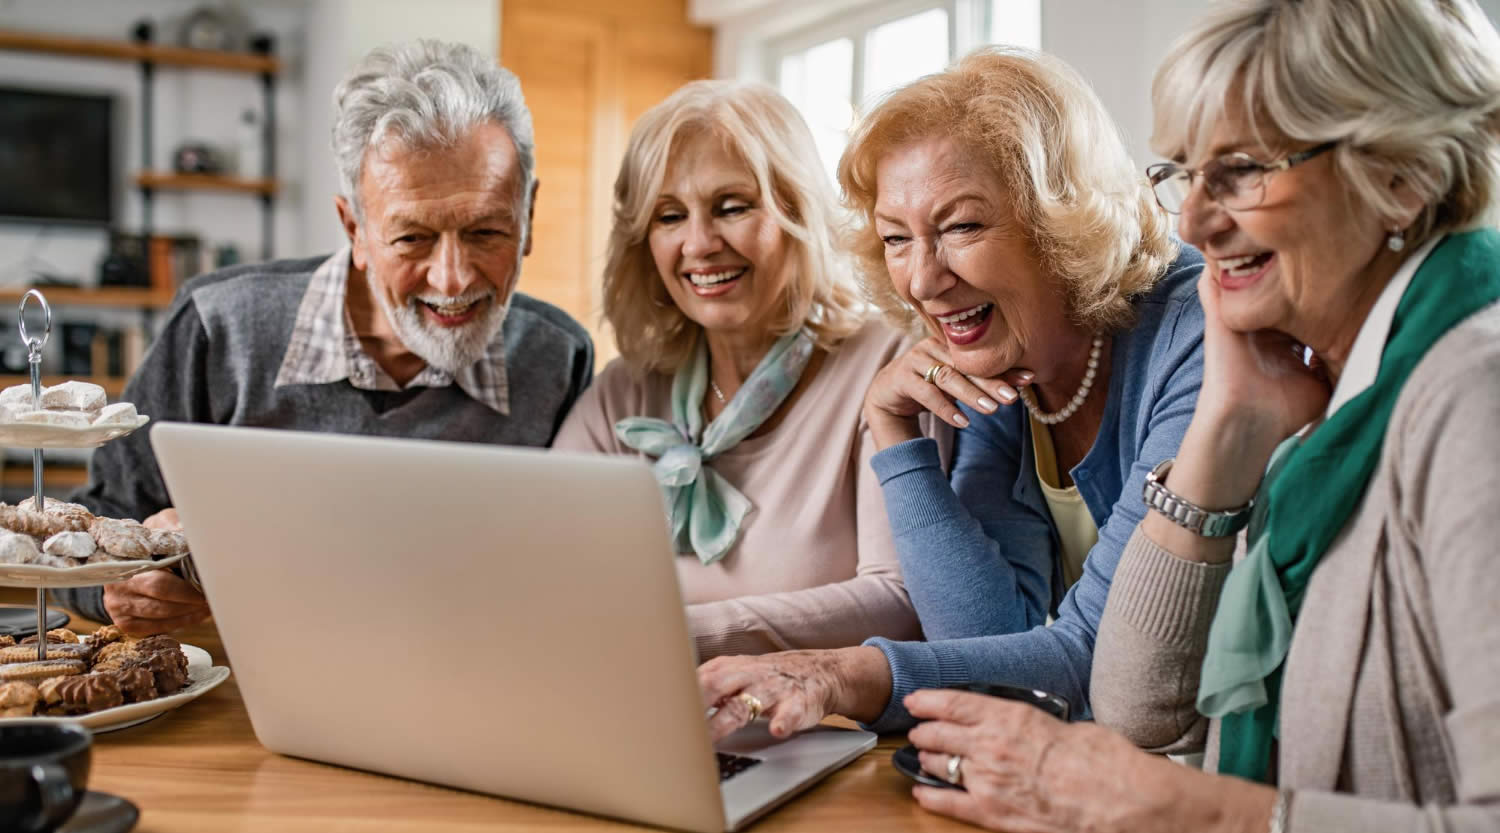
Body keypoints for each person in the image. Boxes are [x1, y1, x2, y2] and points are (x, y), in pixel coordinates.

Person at [890, 2, 1500, 831]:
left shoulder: (1473, 396)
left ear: (1402, 174)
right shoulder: (1328, 384)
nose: (1192, 220)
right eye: (1184, 172)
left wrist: (1185, 811)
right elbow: (1138, 704)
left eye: (1243, 170)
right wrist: (1226, 425)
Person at [697, 47, 1204, 737]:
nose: (922, 279)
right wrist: (893, 432)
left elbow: (1096, 656)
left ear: (1061, 218)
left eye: (961, 226)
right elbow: (991, 646)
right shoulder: (998, 363)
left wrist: (842, 673)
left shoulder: (1192, 331)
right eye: (896, 238)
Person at [55, 40, 594, 634]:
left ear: (528, 218)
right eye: (412, 238)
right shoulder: (221, 326)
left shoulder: (558, 357)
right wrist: (110, 585)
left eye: (487, 230)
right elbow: (94, 521)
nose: (454, 278)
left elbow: (573, 567)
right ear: (354, 230)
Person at [552, 81, 927, 659]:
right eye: (669, 216)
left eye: (732, 207)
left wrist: (679, 636)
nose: (699, 244)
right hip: (642, 716)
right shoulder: (621, 396)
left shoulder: (888, 365)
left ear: (798, 213)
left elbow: (900, 601)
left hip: (832, 733)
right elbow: (542, 576)